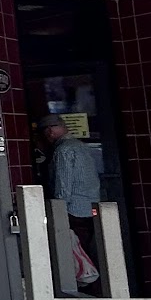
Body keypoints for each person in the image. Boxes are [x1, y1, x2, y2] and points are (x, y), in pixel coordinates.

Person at [40, 113, 101, 287]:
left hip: (73, 210)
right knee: (87, 250)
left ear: (50, 131)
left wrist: (58, 211)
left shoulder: (63, 150)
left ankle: (82, 285)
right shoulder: (80, 146)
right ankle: (93, 285)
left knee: (75, 253)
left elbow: (63, 185)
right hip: (90, 206)